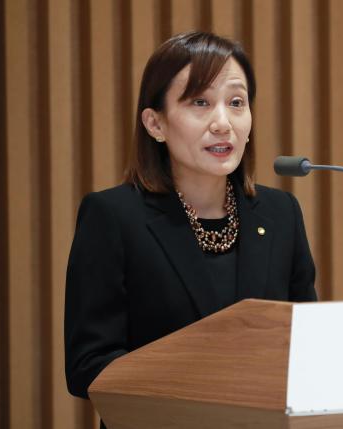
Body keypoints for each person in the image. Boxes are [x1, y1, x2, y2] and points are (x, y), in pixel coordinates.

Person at [64, 31, 317, 406]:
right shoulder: (114, 218)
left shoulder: (281, 214)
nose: (222, 123)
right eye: (200, 102)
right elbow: (88, 366)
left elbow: (308, 348)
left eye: (236, 102)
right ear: (155, 124)